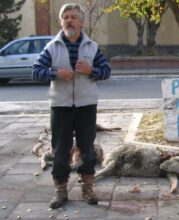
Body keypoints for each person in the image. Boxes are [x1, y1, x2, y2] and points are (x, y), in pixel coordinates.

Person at [32, 3, 111, 209]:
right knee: (60, 150)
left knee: (87, 149)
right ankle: (60, 191)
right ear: (61, 21)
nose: (69, 20)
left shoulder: (92, 47)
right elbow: (36, 71)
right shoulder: (52, 47)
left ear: (81, 22)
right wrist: (55, 74)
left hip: (86, 105)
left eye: (73, 17)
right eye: (65, 17)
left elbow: (106, 71)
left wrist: (90, 70)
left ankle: (87, 189)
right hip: (61, 106)